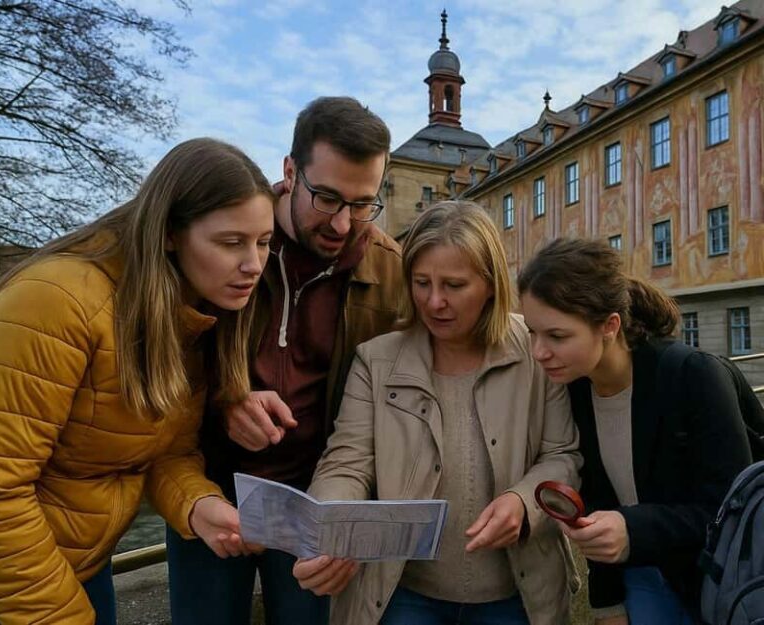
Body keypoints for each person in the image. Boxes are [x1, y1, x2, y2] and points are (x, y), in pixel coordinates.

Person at [0, 138, 275, 624]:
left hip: (82, 567)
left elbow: (162, 450)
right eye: (231, 242)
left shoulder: (191, 315)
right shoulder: (52, 302)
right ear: (170, 232)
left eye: (263, 242)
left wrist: (198, 505)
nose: (254, 264)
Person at [165, 96, 403, 625]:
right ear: (290, 172)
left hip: (316, 498)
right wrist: (225, 401)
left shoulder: (393, 272)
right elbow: (164, 362)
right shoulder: (222, 239)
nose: (344, 225)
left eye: (364, 204)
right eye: (327, 198)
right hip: (209, 482)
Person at [293, 201, 582, 625]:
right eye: (421, 282)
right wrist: (333, 525)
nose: (434, 302)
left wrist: (524, 504)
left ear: (490, 284)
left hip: (517, 596)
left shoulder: (535, 350)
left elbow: (563, 456)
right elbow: (347, 463)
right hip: (405, 595)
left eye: (454, 285)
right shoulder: (375, 361)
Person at [518, 237, 752, 625]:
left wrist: (633, 529)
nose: (539, 352)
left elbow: (732, 512)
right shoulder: (572, 387)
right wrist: (607, 605)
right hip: (642, 577)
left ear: (610, 326)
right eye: (532, 332)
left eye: (557, 336)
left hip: (723, 583)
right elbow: (597, 509)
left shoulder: (694, 376)